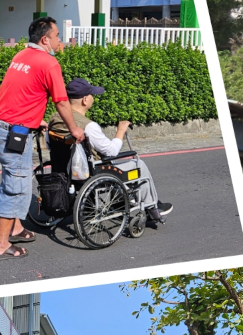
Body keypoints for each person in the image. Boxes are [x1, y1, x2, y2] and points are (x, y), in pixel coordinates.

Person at [0, 16, 85, 261]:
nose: (59, 40)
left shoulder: (21, 56)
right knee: (14, 186)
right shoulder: (48, 63)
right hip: (14, 132)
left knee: (15, 179)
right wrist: (74, 129)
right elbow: (61, 102)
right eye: (57, 36)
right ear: (45, 39)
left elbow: (20, 91)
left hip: (2, 125)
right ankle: (0, 244)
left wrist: (32, 119)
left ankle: (16, 229)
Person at [48, 77, 173, 225]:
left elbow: (49, 145)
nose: (93, 98)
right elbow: (111, 151)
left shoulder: (54, 118)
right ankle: (153, 208)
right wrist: (120, 131)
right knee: (138, 164)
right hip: (91, 172)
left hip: (65, 170)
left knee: (114, 165)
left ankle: (125, 197)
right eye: (92, 95)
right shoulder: (88, 126)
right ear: (85, 100)